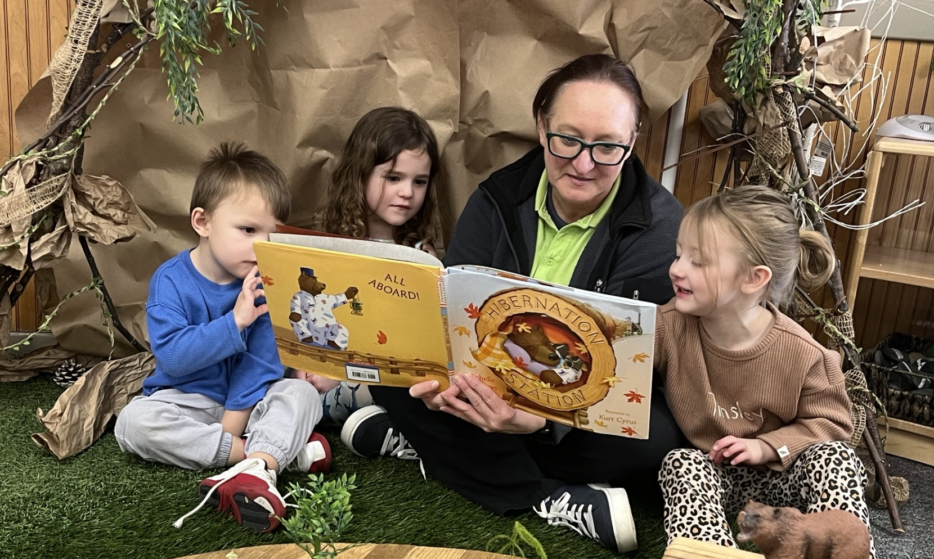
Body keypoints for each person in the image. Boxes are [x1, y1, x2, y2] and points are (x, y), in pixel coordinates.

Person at [340, 54, 686, 554]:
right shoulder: (496, 199)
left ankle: (435, 449)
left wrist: (540, 421)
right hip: (483, 387)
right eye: (567, 139)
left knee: (659, 444)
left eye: (607, 146)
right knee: (396, 374)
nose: (584, 163)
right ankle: (550, 498)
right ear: (541, 125)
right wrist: (447, 387)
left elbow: (634, 375)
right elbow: (450, 322)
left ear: (632, 143)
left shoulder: (660, 231)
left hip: (580, 413)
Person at [114, 142, 330, 533]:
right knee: (131, 423)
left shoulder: (266, 281)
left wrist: (235, 418)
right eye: (248, 230)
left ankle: (261, 464)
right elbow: (175, 357)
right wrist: (235, 322)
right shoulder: (171, 280)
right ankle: (262, 458)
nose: (260, 245)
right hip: (187, 402)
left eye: (270, 234)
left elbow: (264, 362)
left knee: (301, 393)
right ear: (203, 222)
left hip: (252, 404)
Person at [655, 185, 874, 557]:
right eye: (678, 255)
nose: (676, 269)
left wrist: (766, 447)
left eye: (697, 261)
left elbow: (834, 426)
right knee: (679, 463)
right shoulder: (665, 325)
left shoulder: (804, 353)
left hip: (783, 477)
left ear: (754, 279)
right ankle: (708, 553)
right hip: (713, 473)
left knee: (837, 459)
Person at [295, 107, 442, 429]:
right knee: (293, 392)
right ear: (360, 174)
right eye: (393, 178)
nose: (407, 192)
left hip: (392, 379)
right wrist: (312, 370)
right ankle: (380, 427)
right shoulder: (330, 245)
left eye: (419, 181)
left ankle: (385, 428)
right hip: (332, 378)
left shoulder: (420, 255)